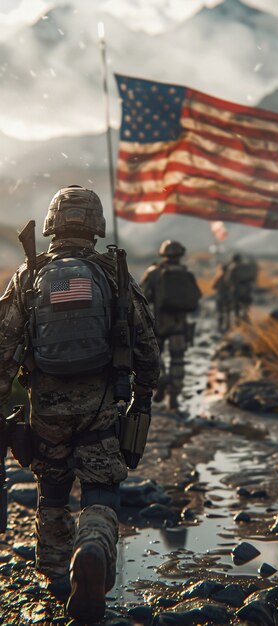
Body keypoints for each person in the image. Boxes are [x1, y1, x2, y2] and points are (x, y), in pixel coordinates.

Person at [0, 186, 160, 623]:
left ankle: (55, 580)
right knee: (101, 488)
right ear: (95, 226)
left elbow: (3, 348)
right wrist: (142, 395)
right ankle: (92, 546)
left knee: (51, 490)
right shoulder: (112, 273)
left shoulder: (30, 275)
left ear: (52, 224)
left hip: (45, 409)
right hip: (102, 406)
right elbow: (147, 347)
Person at [140, 240, 201, 411]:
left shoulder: (153, 272)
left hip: (159, 324)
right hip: (180, 326)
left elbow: (142, 296)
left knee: (157, 360)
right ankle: (174, 396)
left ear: (163, 254)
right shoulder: (186, 274)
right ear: (181, 255)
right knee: (178, 361)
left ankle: (161, 382)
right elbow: (195, 300)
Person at [226, 253, 258, 322]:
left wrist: (231, 287)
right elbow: (253, 278)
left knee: (236, 308)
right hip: (247, 289)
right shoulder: (247, 267)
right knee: (245, 307)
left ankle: (237, 322)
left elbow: (228, 280)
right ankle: (245, 319)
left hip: (237, 290)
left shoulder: (232, 267)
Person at [212, 263, 232, 332]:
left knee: (220, 312)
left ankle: (219, 327)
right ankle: (227, 327)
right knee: (227, 312)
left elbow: (213, 286)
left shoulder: (219, 277)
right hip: (227, 296)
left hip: (220, 296)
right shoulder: (229, 277)